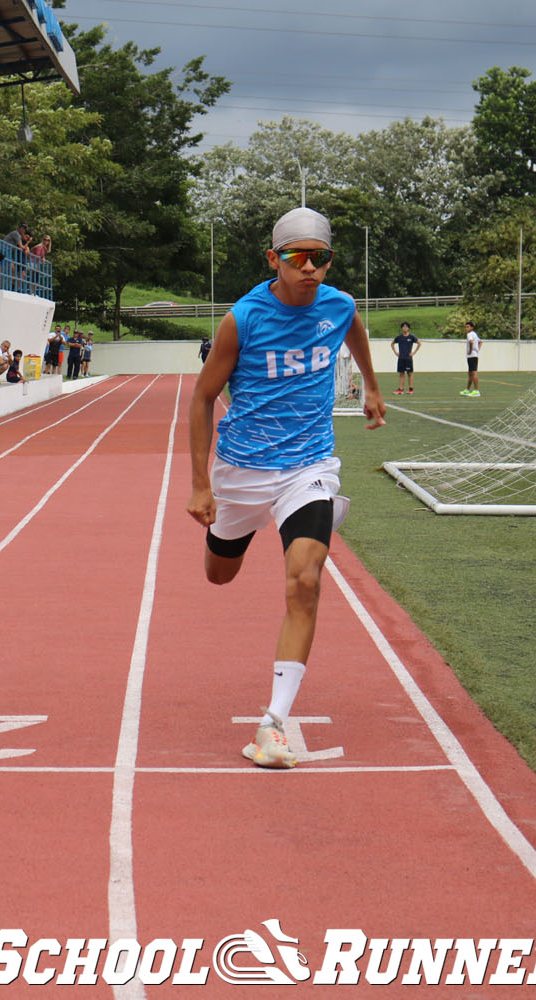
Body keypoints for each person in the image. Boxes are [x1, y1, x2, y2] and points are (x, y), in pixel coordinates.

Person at [186, 206, 385, 770]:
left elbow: (354, 329)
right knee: (218, 573)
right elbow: (202, 398)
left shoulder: (339, 305)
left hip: (309, 467)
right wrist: (202, 486)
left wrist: (371, 385)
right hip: (243, 473)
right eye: (297, 257)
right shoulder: (243, 319)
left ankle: (272, 724)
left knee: (305, 579)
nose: (310, 269)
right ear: (273, 258)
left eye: (320, 258)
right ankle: (228, 535)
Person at [391, 321, 421, 394]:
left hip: (408, 358)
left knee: (409, 373)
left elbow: (419, 343)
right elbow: (392, 344)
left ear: (408, 328)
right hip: (401, 358)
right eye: (403, 327)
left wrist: (413, 353)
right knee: (401, 374)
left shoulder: (411, 337)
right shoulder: (399, 337)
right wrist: (396, 352)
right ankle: (401, 389)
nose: (405, 328)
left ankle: (411, 389)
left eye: (406, 327)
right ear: (402, 328)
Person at [461, 321, 482, 397]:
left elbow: (471, 342)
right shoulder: (474, 334)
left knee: (473, 373)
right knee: (470, 373)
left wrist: (470, 351)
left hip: (472, 356)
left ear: (472, 327)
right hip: (474, 355)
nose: (466, 328)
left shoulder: (470, 334)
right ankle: (467, 390)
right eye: (466, 327)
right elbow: (481, 342)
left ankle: (477, 391)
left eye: (468, 327)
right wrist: (477, 350)